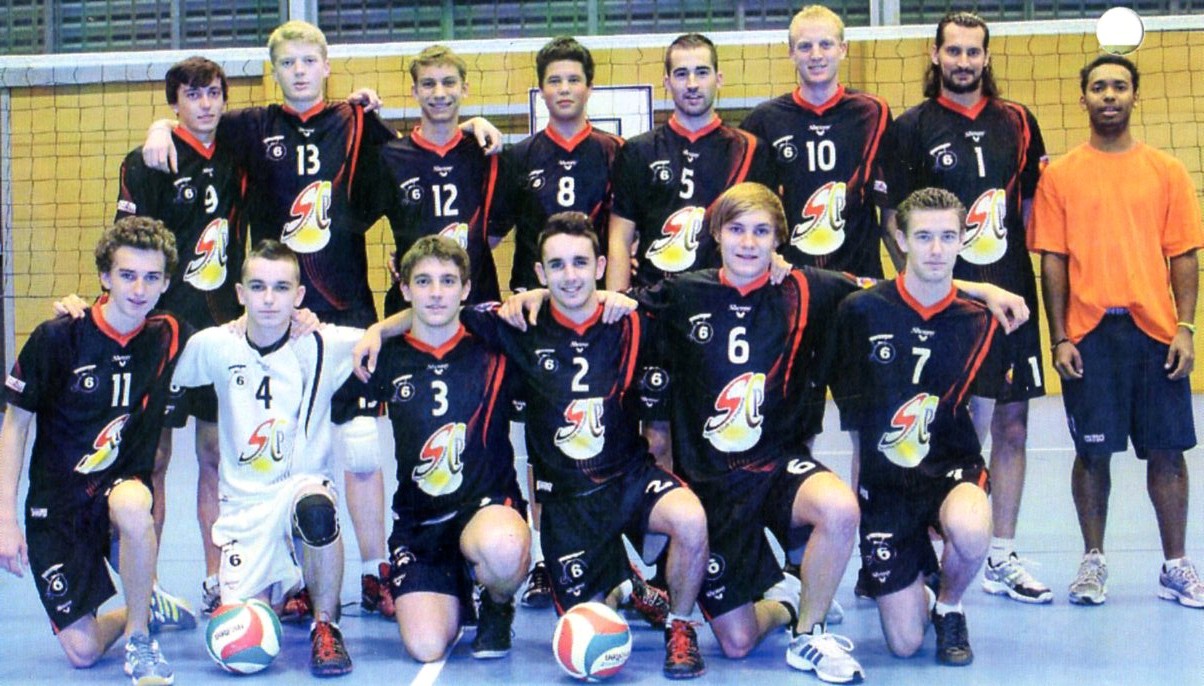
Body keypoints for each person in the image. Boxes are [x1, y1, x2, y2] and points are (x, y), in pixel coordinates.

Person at [360, 214, 711, 679]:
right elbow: (436, 311)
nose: (570, 275)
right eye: (557, 265)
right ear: (541, 272)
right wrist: (378, 330)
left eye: (580, 263)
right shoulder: (518, 324)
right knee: (586, 622)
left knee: (690, 518)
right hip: (567, 501)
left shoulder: (629, 319)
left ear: (600, 266)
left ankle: (679, 625)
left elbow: (704, 297)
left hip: (629, 477)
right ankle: (625, 584)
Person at [631, 183, 865, 683]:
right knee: (737, 644)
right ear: (716, 233)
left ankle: (811, 634)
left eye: (762, 231)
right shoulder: (681, 292)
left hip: (777, 467)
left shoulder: (807, 288)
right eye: (736, 229)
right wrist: (538, 296)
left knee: (840, 508)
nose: (748, 242)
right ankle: (787, 600)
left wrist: (984, 290)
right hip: (710, 485)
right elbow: (605, 304)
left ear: (780, 239)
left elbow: (898, 290)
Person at [1029, 54, 1204, 608]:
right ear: (1083, 98)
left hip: (1155, 336)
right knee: (1092, 455)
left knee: (1168, 452)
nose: (1110, 95)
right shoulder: (1060, 176)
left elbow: (1184, 256)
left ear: (1135, 96)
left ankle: (1176, 566)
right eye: (1100, 87)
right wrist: (1060, 336)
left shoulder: (1167, 171)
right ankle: (1093, 561)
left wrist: (1185, 327)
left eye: (1120, 86)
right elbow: (1052, 261)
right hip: (1090, 336)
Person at [890, 10, 1051, 604]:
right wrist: (927, 283)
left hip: (1011, 297)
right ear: (935, 55)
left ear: (986, 56)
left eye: (973, 51)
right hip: (942, 306)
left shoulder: (1019, 121)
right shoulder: (912, 126)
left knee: (1012, 423)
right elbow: (894, 221)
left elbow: (1029, 211)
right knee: (940, 425)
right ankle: (926, 549)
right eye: (952, 51)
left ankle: (1000, 554)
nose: (963, 61)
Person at [0, 217, 185, 685]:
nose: (139, 289)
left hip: (116, 490)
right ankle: (142, 606)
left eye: (151, 277)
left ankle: (140, 638)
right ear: (105, 276)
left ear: (166, 283)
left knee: (134, 506)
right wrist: (4, 520)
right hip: (57, 506)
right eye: (127, 275)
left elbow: (248, 329)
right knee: (82, 653)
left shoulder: (168, 334)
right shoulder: (58, 337)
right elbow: (15, 427)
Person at [171, 240, 370, 676]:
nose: (268, 299)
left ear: (299, 296)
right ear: (240, 293)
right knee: (246, 635)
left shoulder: (321, 343)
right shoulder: (214, 345)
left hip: (300, 487)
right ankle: (290, 585)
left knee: (317, 509)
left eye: (281, 288)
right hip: (244, 509)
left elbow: (401, 333)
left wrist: (381, 330)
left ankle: (326, 625)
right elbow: (154, 357)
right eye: (258, 287)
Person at [833, 187, 1006, 667]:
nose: (936, 249)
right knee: (905, 644)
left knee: (970, 527)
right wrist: (865, 499)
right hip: (887, 485)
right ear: (901, 239)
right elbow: (857, 428)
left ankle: (949, 605)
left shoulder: (982, 321)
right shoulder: (861, 311)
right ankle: (920, 575)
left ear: (962, 240)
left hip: (951, 469)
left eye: (947, 237)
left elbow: (983, 414)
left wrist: (965, 483)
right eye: (924, 236)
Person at [496, 35, 625, 610]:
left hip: (597, 313)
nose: (565, 88)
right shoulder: (520, 155)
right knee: (540, 439)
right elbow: (493, 233)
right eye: (554, 80)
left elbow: (624, 231)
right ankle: (549, 559)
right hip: (535, 314)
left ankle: (612, 553)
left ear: (589, 87)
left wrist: (614, 295)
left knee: (606, 428)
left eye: (574, 79)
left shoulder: (617, 152)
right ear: (541, 89)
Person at [115, 55, 244, 620]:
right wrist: (158, 130)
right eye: (192, 95)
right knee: (155, 459)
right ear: (175, 103)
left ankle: (219, 579)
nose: (205, 104)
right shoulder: (147, 161)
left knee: (216, 456)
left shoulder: (239, 153)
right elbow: (125, 248)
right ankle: (147, 585)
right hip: (163, 333)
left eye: (213, 92)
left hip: (222, 330)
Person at [359, 236, 530, 662]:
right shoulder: (384, 356)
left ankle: (497, 604)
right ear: (404, 289)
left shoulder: (496, 344)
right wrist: (377, 329)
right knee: (426, 648)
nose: (436, 292)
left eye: (448, 281)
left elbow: (561, 304)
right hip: (421, 525)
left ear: (466, 289)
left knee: (505, 547)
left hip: (486, 509)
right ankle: (457, 584)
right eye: (423, 281)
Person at [606, 32, 773, 291]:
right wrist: (616, 301)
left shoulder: (751, 150)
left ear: (719, 79)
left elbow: (768, 232)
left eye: (702, 73)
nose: (692, 84)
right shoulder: (638, 151)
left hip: (725, 296)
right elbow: (619, 239)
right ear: (667, 82)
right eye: (682, 74)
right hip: (656, 298)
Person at [741, 5, 899, 277]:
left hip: (858, 278)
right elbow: (750, 207)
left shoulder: (873, 112)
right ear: (791, 53)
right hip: (789, 277)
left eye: (826, 44)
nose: (816, 55)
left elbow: (890, 211)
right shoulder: (764, 120)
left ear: (843, 49)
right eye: (805, 46)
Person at [357, 44, 508, 315]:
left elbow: (493, 236)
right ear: (414, 91)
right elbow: (355, 222)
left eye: (449, 82)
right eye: (428, 84)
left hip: (476, 305)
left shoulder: (486, 153)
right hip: (412, 308)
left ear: (464, 88)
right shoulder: (389, 158)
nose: (439, 93)